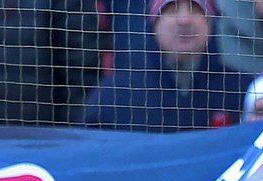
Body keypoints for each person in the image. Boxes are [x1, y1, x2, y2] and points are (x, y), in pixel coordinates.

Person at [79, 0, 247, 132]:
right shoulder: (114, 96)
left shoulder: (240, 90)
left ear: (211, 24)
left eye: (196, 9)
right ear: (153, 24)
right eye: (172, 9)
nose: (184, 20)